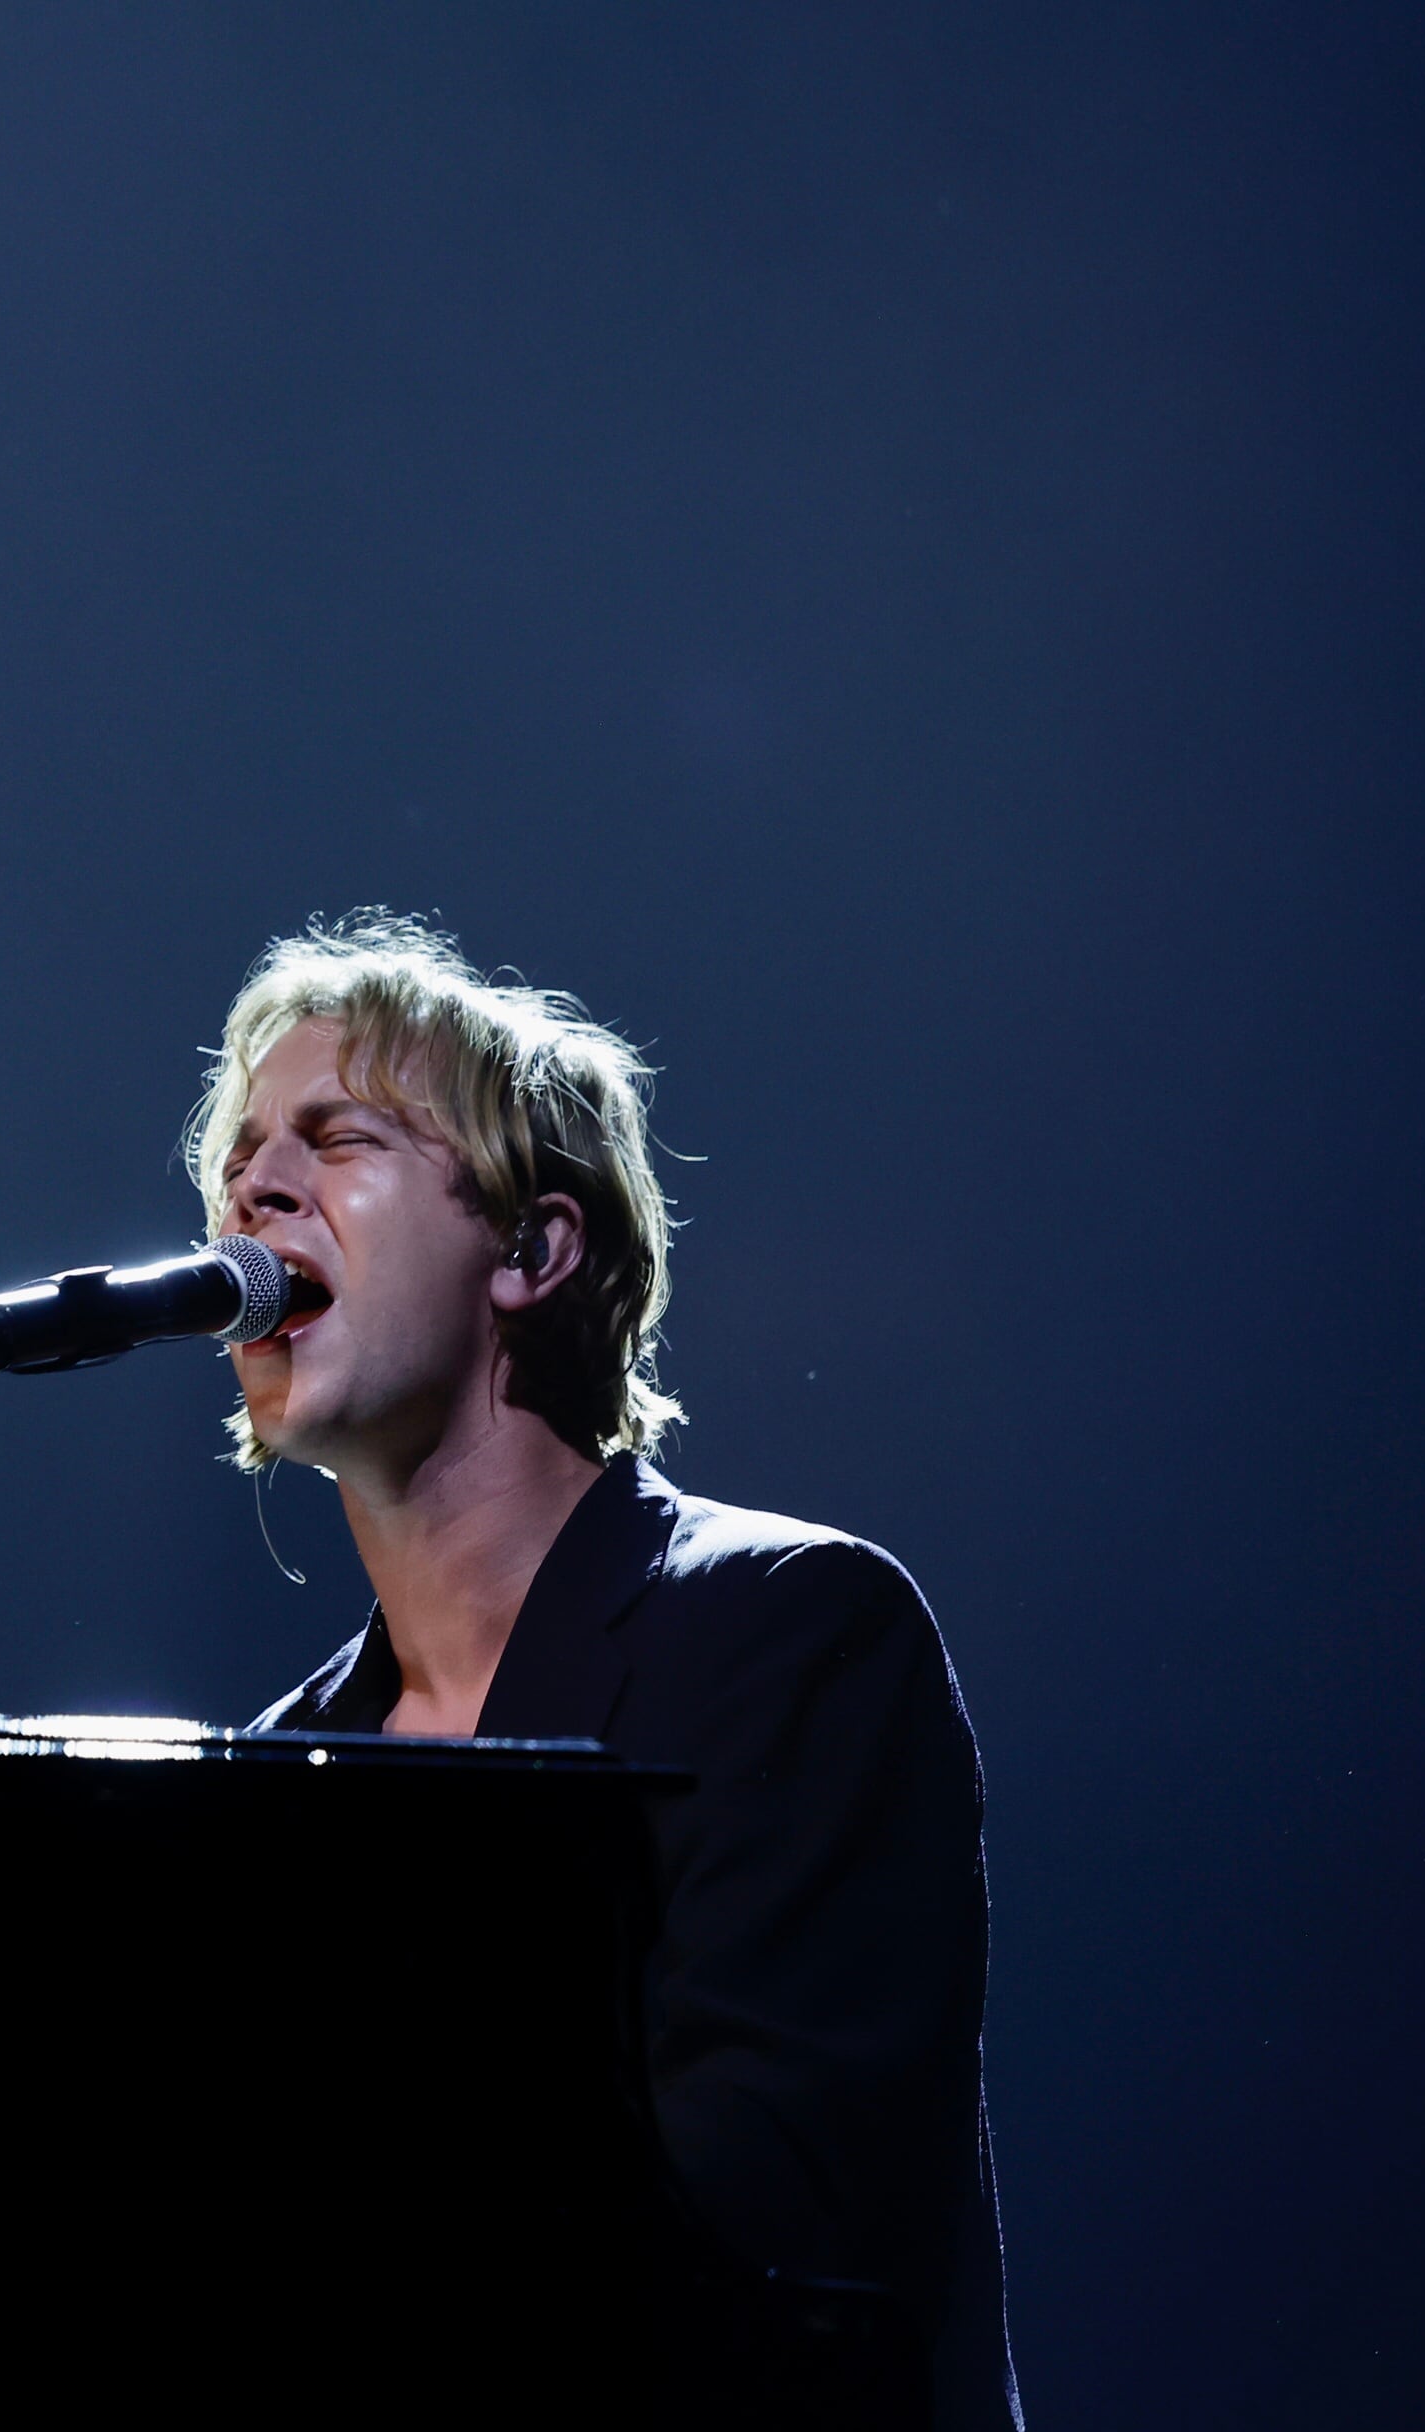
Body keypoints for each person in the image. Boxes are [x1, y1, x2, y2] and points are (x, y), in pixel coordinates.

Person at [210, 911, 1016, 2429]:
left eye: (338, 1138)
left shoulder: (792, 1634)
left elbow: (771, 2209)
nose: (255, 1187)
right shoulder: (283, 1767)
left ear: (533, 1246)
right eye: (243, 1156)